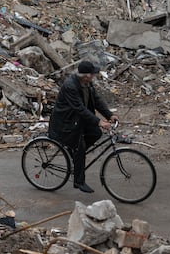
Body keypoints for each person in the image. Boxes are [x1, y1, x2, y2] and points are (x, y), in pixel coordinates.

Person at [48, 61, 118, 193]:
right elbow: (79, 109)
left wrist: (109, 114)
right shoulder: (70, 86)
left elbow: (96, 100)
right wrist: (99, 121)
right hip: (66, 122)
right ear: (86, 76)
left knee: (96, 133)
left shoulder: (87, 83)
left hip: (78, 119)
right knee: (80, 149)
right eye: (92, 74)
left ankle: (75, 153)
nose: (94, 76)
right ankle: (79, 181)